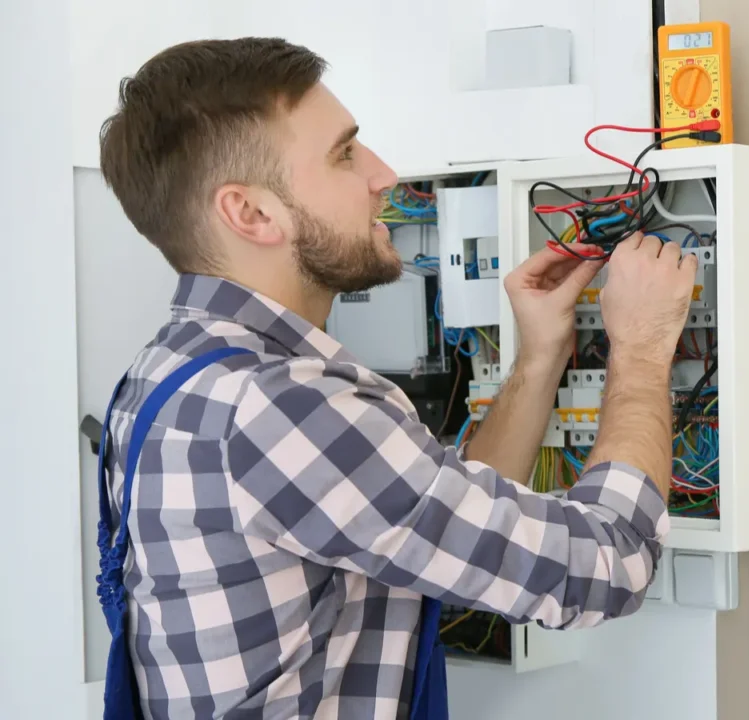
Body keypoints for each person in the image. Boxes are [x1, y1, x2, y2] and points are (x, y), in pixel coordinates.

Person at [94, 37, 696, 719]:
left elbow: (435, 532)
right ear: (251, 213)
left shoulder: (174, 373)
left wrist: (538, 358)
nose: (384, 174)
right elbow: (607, 568)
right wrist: (642, 350)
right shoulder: (279, 409)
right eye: (345, 153)